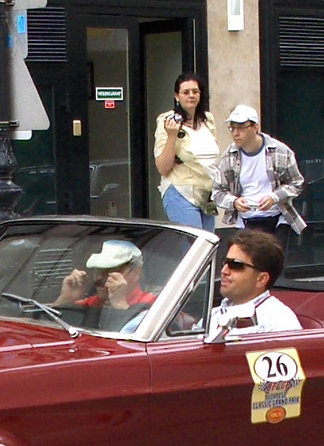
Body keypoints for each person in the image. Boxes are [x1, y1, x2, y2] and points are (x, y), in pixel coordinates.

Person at [212, 106, 307, 248]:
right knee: (250, 265)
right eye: (232, 128)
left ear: (255, 127)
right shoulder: (229, 157)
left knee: (273, 264)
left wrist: (274, 197)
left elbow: (297, 183)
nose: (236, 133)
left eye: (241, 128)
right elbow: (217, 192)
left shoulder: (280, 151)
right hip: (247, 220)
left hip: (278, 217)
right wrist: (235, 202)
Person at [154, 73, 218, 231]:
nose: (191, 96)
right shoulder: (167, 120)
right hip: (181, 191)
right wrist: (172, 136)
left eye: (195, 91)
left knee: (207, 248)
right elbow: (163, 167)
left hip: (207, 194)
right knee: (193, 248)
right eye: (186, 92)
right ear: (177, 96)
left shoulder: (207, 120)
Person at [210, 230, 301, 335]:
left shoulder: (279, 322)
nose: (224, 271)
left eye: (236, 265)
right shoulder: (214, 313)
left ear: (262, 279)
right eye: (225, 262)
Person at [55, 240, 154, 310]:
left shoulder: (153, 306)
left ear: (135, 273)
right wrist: (66, 299)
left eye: (109, 270)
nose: (100, 278)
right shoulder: (90, 304)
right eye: (98, 270)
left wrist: (119, 304)